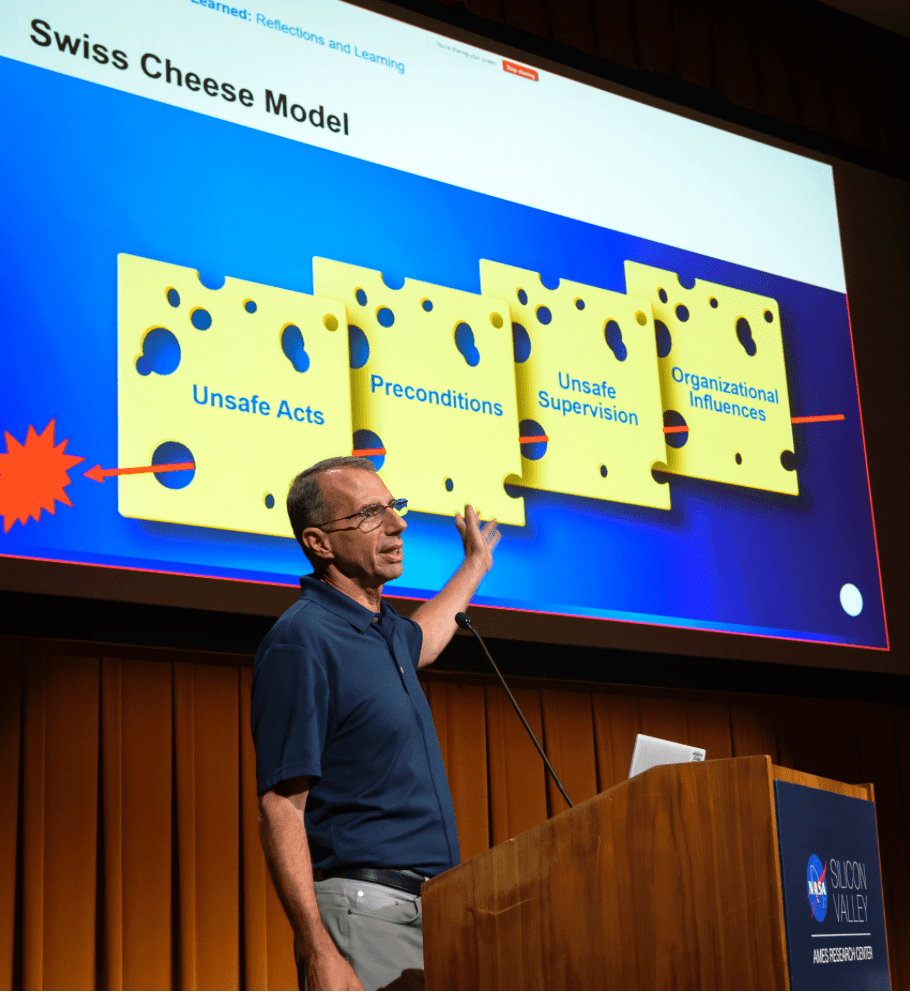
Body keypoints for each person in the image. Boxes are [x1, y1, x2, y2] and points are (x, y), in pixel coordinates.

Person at [251, 455, 500, 991]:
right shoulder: (304, 640)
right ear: (320, 543)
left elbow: (426, 639)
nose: (397, 524)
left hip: (433, 909)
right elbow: (281, 808)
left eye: (393, 507)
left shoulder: (382, 631)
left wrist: (475, 566)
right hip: (365, 913)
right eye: (369, 514)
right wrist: (316, 948)